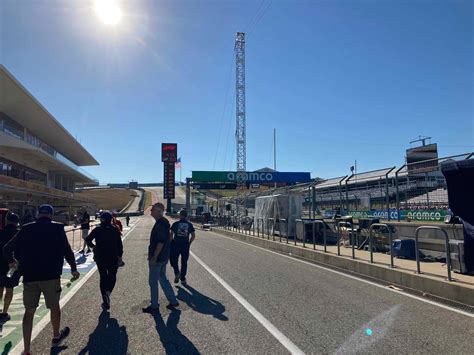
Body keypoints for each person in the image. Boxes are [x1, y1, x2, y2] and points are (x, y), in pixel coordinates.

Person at [3, 204, 79, 354]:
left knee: (29, 312)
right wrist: (73, 268)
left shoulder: (26, 228)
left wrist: (12, 261)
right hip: (51, 275)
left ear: (38, 214)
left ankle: (26, 349)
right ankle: (56, 336)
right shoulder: (58, 228)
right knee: (54, 307)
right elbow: (67, 250)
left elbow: (7, 248)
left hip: (30, 276)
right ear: (51, 215)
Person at [142, 202, 179, 314]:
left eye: (153, 209)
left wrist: (154, 256)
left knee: (153, 282)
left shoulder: (161, 224)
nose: (151, 211)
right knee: (162, 278)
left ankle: (154, 306)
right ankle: (173, 301)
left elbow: (161, 242)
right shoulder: (163, 223)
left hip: (158, 258)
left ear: (158, 211)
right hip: (163, 257)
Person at [86, 211, 123, 310]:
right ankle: (108, 293)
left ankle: (104, 298)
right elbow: (119, 244)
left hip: (100, 256)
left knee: (103, 276)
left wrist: (94, 247)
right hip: (112, 256)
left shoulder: (98, 229)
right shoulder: (115, 229)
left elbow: (88, 239)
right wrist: (120, 256)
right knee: (112, 276)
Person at [0, 212, 20, 323]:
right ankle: (4, 312)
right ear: (17, 223)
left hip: (0, 264)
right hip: (12, 265)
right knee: (9, 289)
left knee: (0, 287)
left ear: (7, 221)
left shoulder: (1, 232)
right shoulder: (18, 233)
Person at [170, 209, 196, 285]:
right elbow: (193, 236)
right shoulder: (189, 224)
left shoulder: (175, 224)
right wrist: (189, 243)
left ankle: (177, 272)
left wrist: (170, 243)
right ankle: (183, 278)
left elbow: (171, 234)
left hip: (176, 245)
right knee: (184, 262)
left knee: (174, 260)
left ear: (180, 215)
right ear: (186, 216)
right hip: (185, 245)